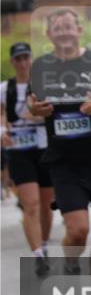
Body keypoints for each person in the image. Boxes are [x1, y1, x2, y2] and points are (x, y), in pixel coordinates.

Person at [28, 8, 91, 274]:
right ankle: (71, 260)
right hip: (65, 162)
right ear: (49, 34)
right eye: (57, 27)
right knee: (79, 230)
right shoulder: (41, 66)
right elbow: (30, 105)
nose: (64, 31)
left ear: (79, 30)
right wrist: (36, 111)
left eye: (68, 26)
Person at [1, 42, 55, 275]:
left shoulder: (44, 85)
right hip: (20, 150)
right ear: (13, 62)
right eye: (18, 59)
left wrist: (35, 117)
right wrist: (2, 132)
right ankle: (37, 254)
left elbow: (53, 114)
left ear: (31, 60)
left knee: (46, 204)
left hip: (44, 148)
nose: (23, 62)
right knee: (30, 204)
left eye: (26, 58)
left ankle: (43, 243)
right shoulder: (5, 88)